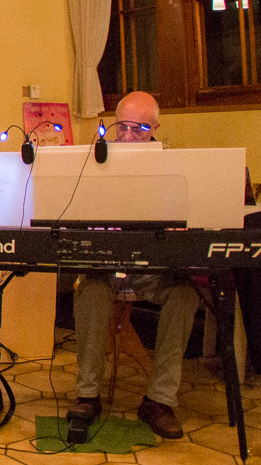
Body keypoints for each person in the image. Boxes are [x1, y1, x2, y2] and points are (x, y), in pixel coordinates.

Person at [68, 91, 199, 439]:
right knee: (90, 288)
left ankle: (159, 400)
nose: (127, 136)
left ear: (155, 128)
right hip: (106, 263)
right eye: (122, 127)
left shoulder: (173, 166)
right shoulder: (96, 162)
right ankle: (87, 394)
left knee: (184, 295)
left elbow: (188, 217)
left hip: (151, 267)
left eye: (138, 129)